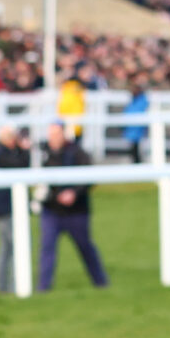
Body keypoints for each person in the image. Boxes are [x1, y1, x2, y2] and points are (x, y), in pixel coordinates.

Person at [37, 120, 108, 290]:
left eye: (56, 134)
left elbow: (90, 177)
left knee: (85, 246)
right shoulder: (42, 153)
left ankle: (101, 282)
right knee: (47, 248)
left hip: (76, 211)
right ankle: (43, 288)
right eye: (51, 134)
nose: (53, 138)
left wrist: (74, 193)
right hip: (51, 209)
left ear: (63, 134)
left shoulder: (77, 152)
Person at [0, 123, 31, 292]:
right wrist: (25, 150)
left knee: (8, 247)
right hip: (4, 208)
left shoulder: (6, 152)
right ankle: (12, 286)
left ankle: (6, 286)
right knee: (13, 246)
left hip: (10, 207)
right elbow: (19, 166)